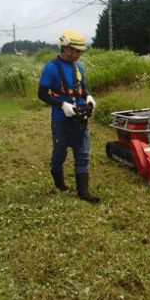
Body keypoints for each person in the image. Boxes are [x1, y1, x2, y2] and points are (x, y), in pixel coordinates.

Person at [38, 29, 100, 203]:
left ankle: (83, 192)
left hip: (80, 116)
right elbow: (42, 94)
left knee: (82, 153)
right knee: (60, 152)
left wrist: (88, 96)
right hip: (61, 118)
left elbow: (82, 87)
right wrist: (62, 105)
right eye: (78, 51)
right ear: (67, 49)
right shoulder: (51, 68)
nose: (80, 54)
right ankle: (60, 185)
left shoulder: (78, 66)